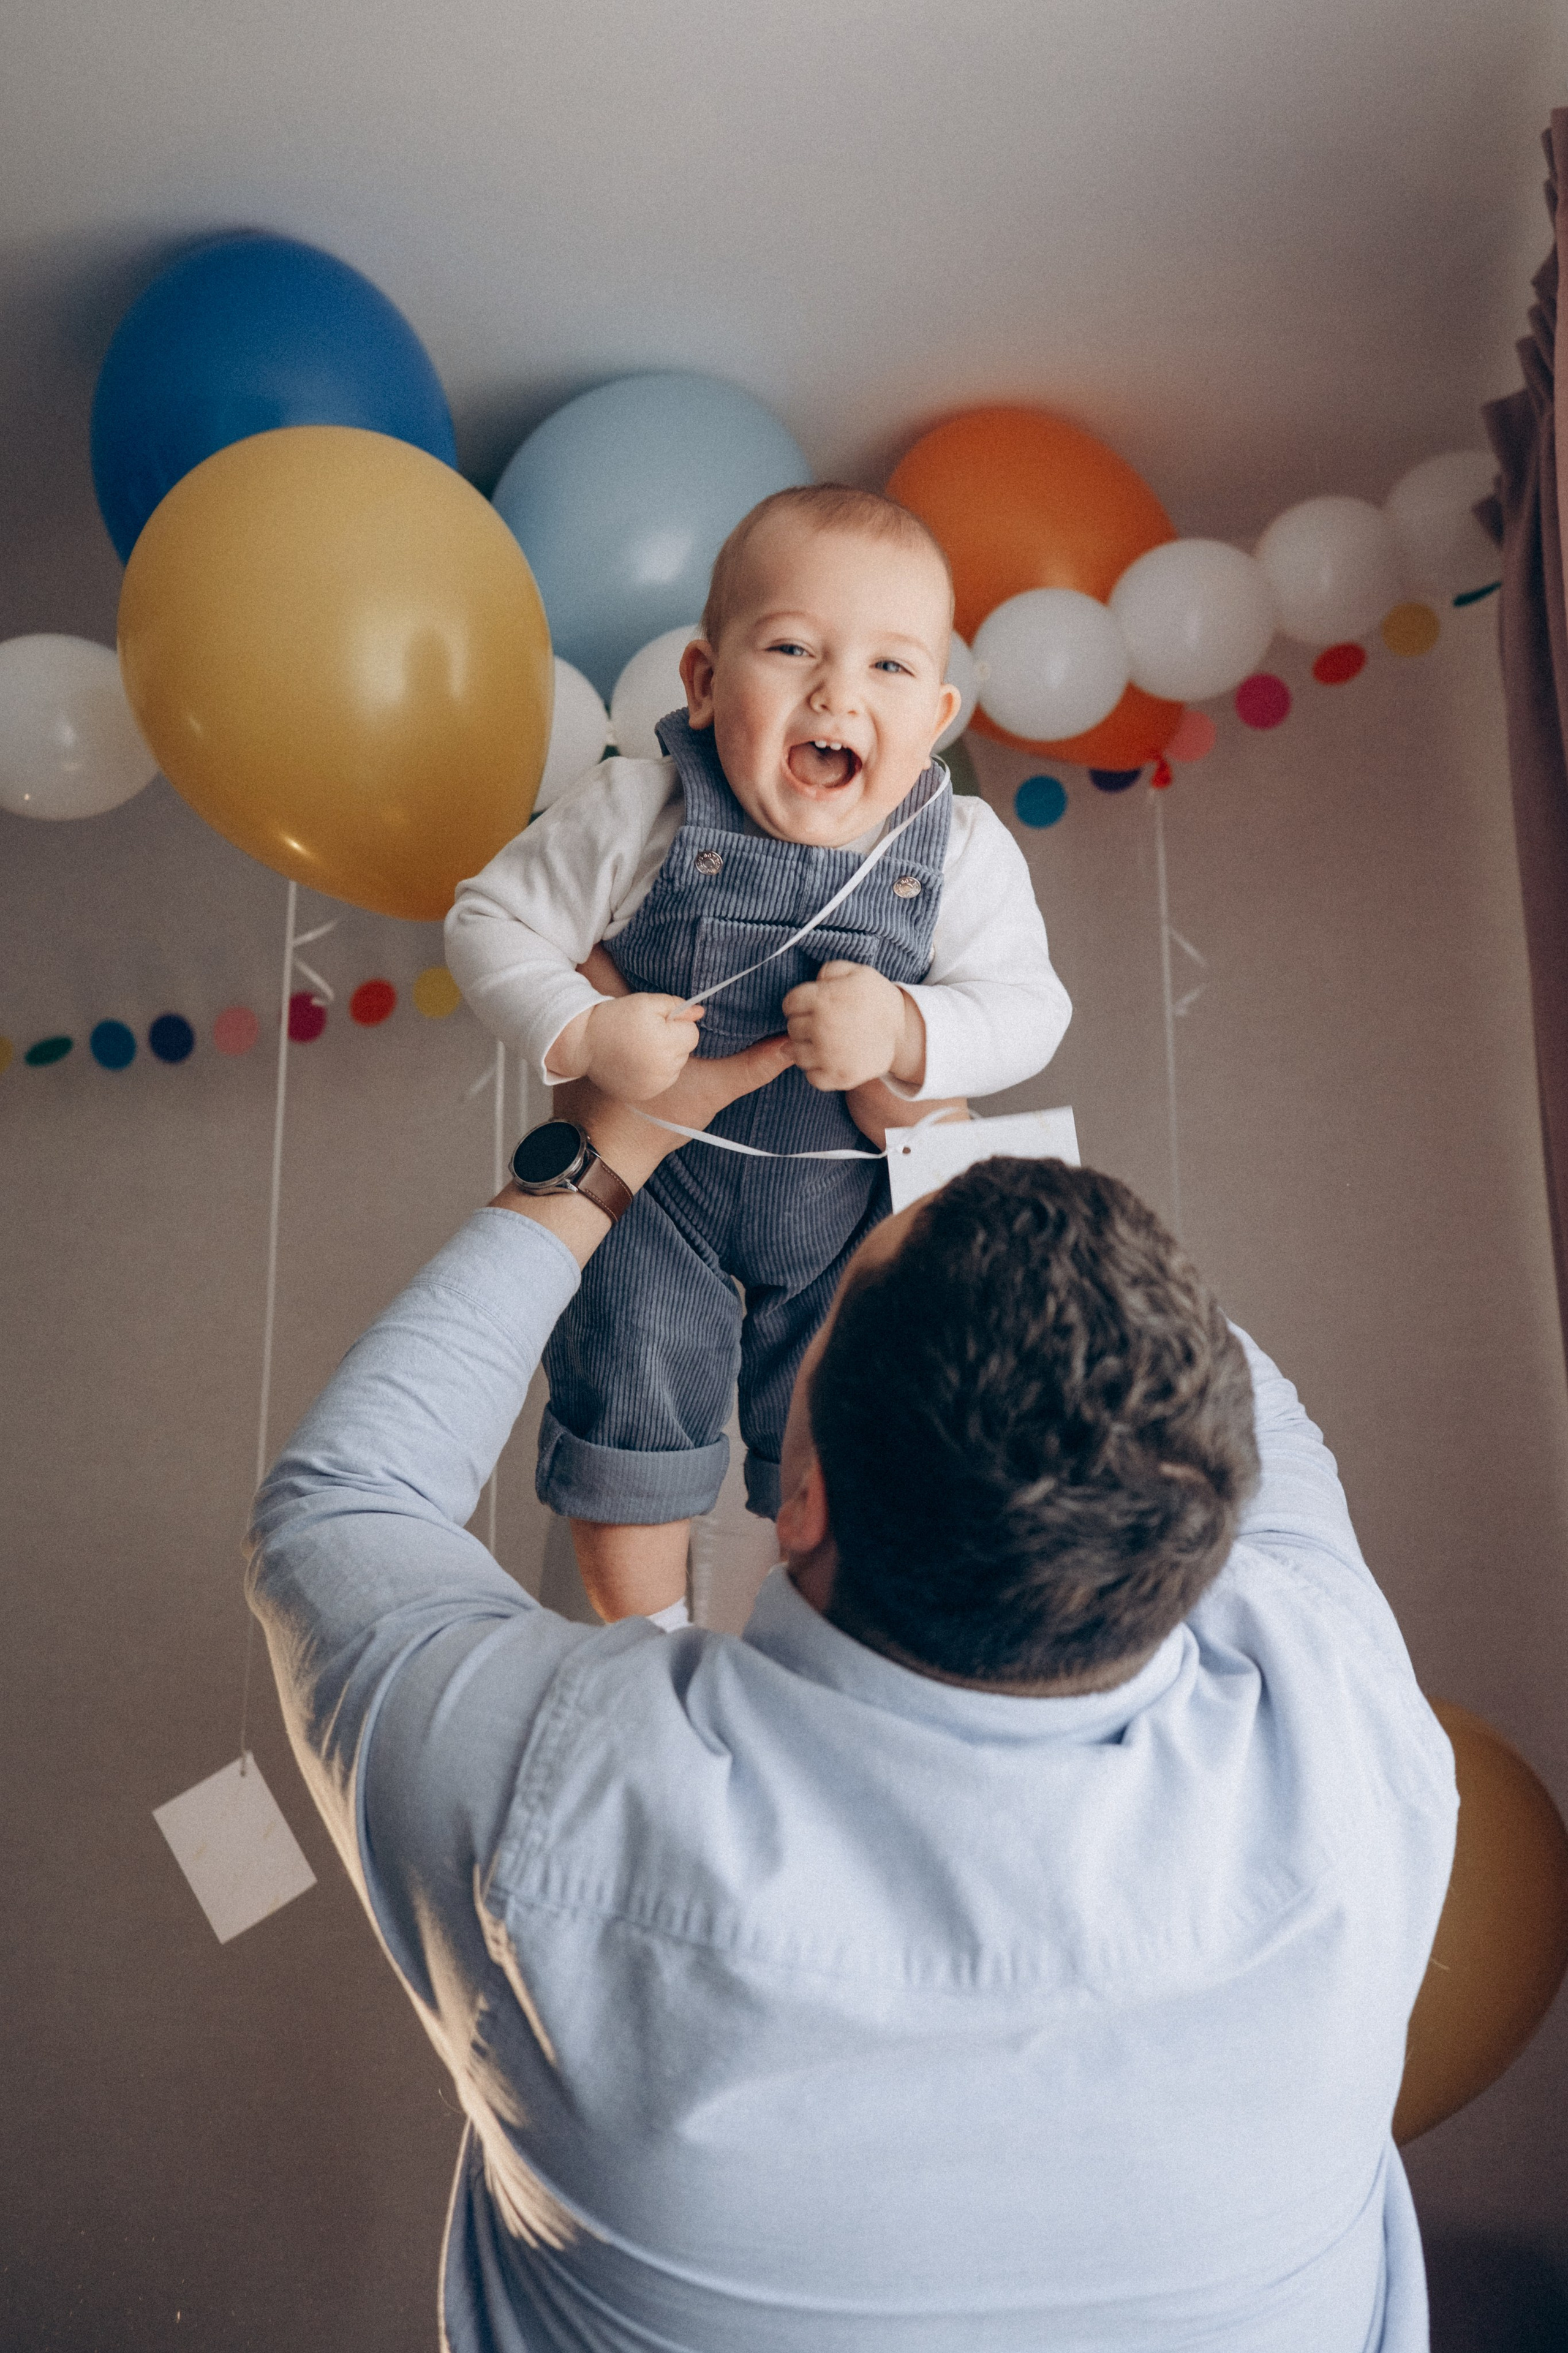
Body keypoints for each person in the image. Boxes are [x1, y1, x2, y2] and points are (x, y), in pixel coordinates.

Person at [247, 1047, 1458, 2353]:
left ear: (800, 1499)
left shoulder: (569, 1827)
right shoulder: (1350, 1730)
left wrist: (593, 1157)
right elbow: (1231, 1383)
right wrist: (929, 1118)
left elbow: (339, 1508)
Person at [444, 485, 1071, 1628]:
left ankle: (824, 1651)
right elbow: (487, 922)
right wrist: (586, 1031)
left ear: (934, 718)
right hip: (656, 1191)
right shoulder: (638, 806)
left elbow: (1034, 1010)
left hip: (848, 1210)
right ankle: (647, 1648)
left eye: (889, 668)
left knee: (852, 1434)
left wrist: (908, 1031)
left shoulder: (961, 849)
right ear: (703, 680)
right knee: (629, 1386)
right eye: (791, 648)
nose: (837, 692)